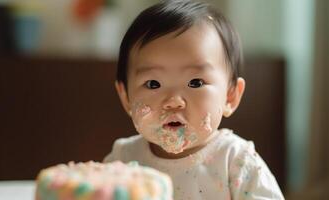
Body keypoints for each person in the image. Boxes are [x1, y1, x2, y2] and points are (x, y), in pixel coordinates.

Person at [104, 0, 284, 199]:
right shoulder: (122, 161)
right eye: (153, 84)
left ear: (230, 96)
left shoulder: (237, 161)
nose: (173, 101)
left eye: (196, 82)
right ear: (126, 97)